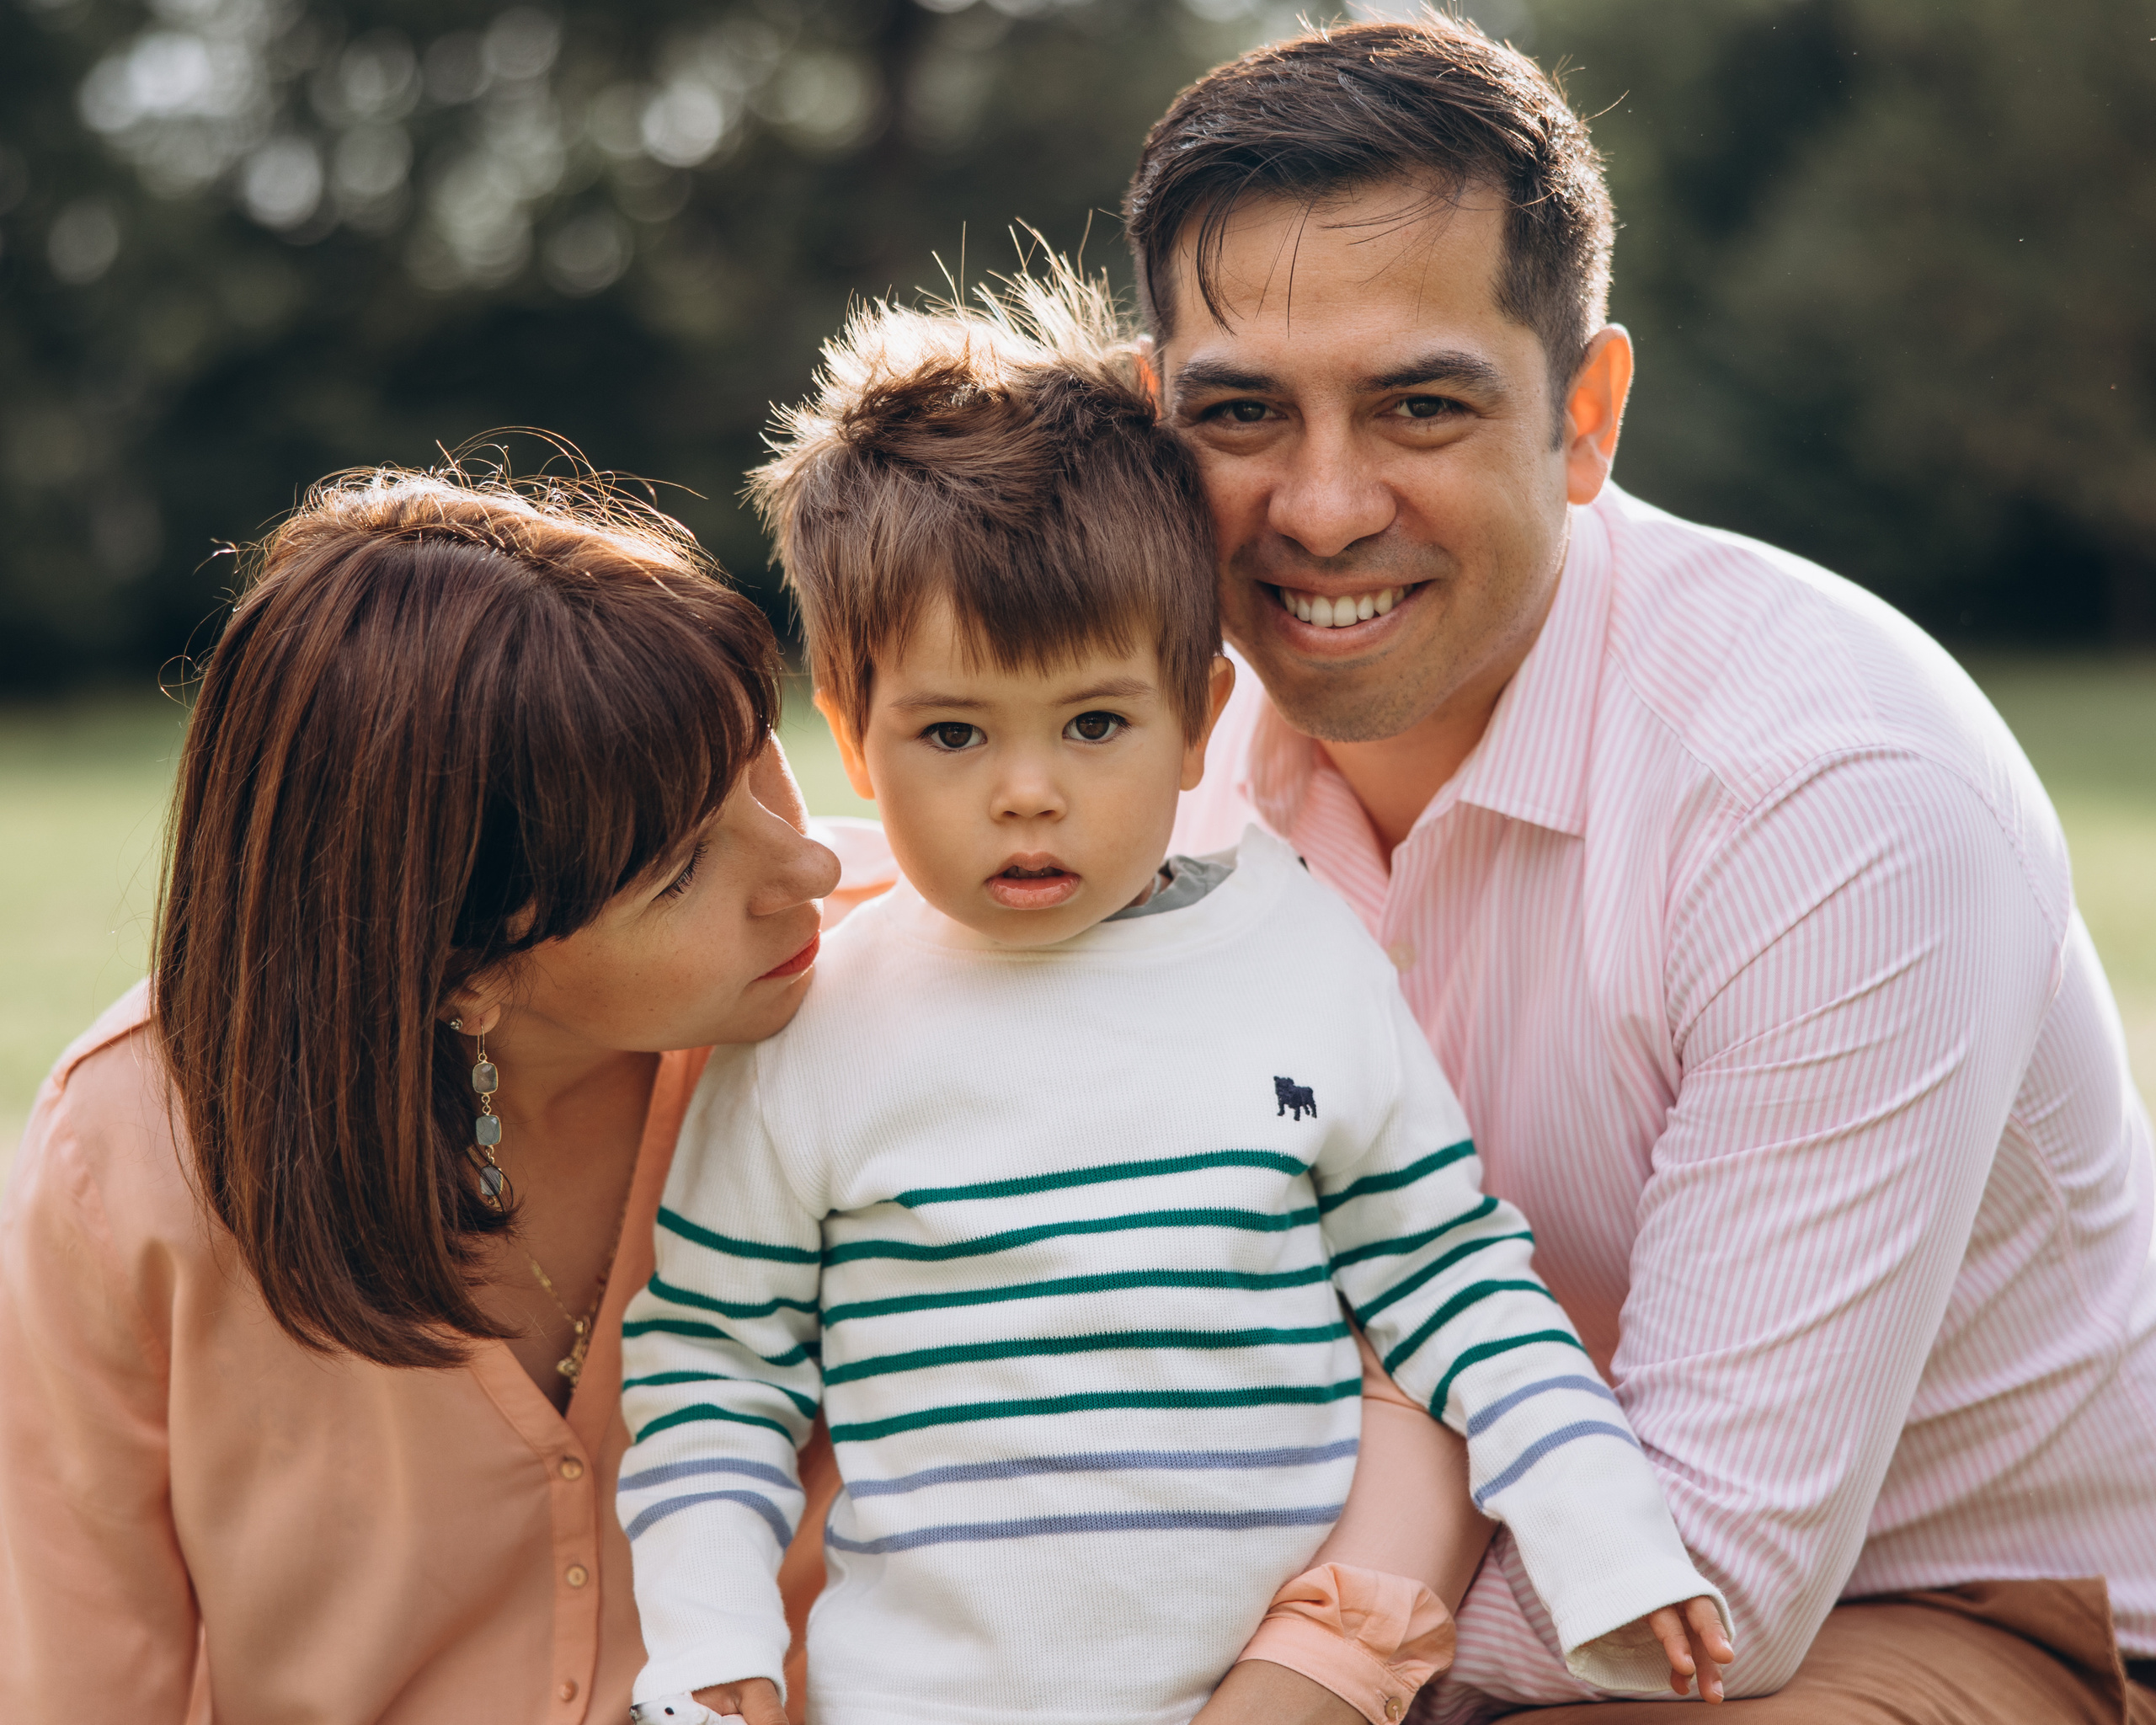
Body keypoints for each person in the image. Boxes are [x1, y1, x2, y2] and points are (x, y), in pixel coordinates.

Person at [1121, 17, 2156, 1723]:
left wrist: (1196, 1648)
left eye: (1418, 404)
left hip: (1949, 1605)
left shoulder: (1829, 795)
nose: (1314, 508)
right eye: (1240, 412)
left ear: (1583, 413)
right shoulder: (1143, 744)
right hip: (1416, 1544)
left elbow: (1712, 1580)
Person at [614, 284, 1730, 1725]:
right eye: (953, 732)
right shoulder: (814, 1028)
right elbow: (714, 1375)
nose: (1029, 791)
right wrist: (713, 1660)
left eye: (1095, 724)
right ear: (850, 728)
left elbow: (1456, 1285)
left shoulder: (1305, 964)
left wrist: (1607, 1536)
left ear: (1200, 718)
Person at [0, 467, 851, 1722]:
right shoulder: (126, 1158)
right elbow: (83, 1677)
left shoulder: (915, 986)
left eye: (760, 760)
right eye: (681, 869)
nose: (813, 862)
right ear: (458, 973)